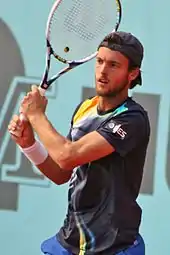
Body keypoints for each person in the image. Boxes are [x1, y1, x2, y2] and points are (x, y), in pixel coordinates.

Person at [8, 31, 150, 255]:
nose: (102, 71)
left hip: (113, 246)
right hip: (71, 241)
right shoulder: (85, 109)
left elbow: (67, 156)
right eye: (100, 61)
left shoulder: (132, 119)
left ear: (133, 74)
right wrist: (29, 144)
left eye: (114, 65)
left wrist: (36, 116)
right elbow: (62, 173)